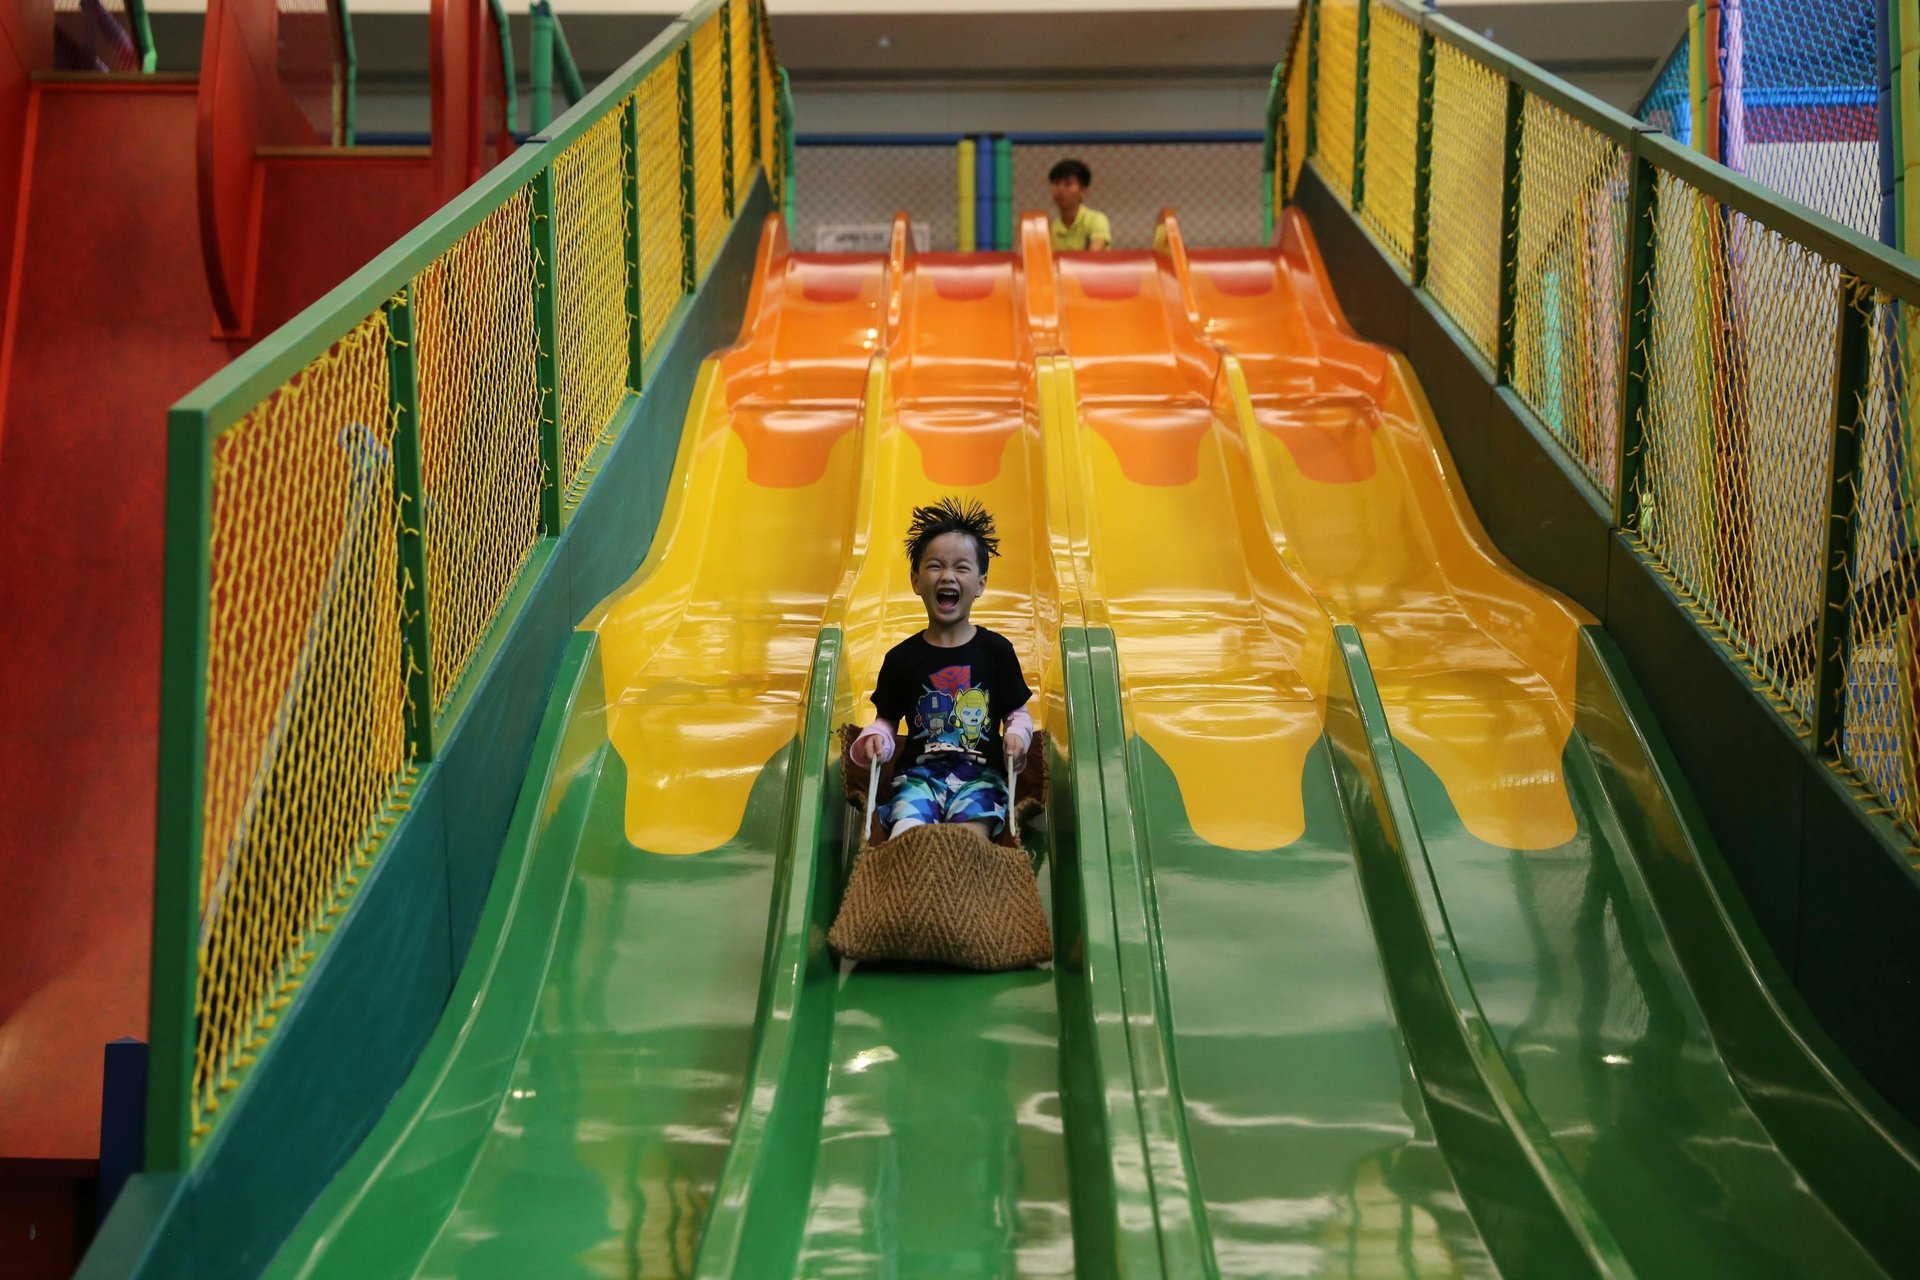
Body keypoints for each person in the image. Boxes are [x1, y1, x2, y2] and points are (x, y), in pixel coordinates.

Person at [848, 498, 1035, 839]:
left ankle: (961, 888)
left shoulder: (996, 651)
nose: (947, 575)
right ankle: (917, 887)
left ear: (980, 583)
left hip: (981, 778)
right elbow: (886, 722)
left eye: (961, 568)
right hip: (917, 779)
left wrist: (1018, 736)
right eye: (935, 566)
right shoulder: (901, 658)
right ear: (916, 580)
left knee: (968, 840)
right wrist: (875, 740)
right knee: (909, 835)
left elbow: (1017, 714)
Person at [1048, 158, 1112, 251]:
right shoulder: (1051, 229)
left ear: (1083, 191)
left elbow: (1095, 256)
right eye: (1056, 183)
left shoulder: (1096, 220)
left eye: (1068, 184)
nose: (1060, 188)